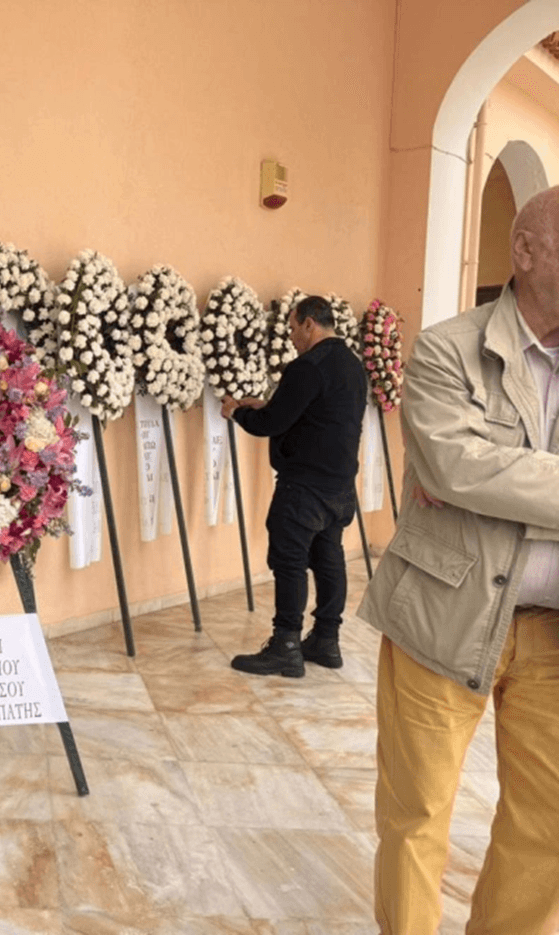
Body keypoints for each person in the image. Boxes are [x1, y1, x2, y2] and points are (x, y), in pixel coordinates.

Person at [357, 186, 559, 934]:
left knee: (549, 827)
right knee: (416, 814)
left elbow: (482, 474)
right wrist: (473, 475)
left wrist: (498, 478)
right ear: (526, 250)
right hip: (445, 611)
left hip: (553, 631)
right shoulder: (448, 348)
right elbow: (453, 467)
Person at [220, 294, 367, 677]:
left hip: (303, 486)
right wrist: (264, 404)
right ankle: (326, 640)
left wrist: (237, 413)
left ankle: (285, 645)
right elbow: (315, 413)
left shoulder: (307, 366)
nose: (290, 337)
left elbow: (273, 424)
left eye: (292, 328)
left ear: (308, 324)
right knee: (329, 559)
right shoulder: (352, 364)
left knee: (289, 562)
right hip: (340, 485)